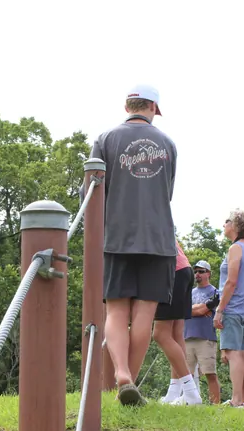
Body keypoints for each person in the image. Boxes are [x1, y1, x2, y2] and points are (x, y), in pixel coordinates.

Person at [90, 84, 177, 406]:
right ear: (153, 107)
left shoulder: (106, 139)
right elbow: (167, 192)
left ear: (128, 106)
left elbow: (92, 192)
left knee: (115, 310)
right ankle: (129, 385)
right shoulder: (168, 144)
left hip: (116, 236)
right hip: (159, 238)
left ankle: (122, 375)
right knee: (144, 317)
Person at [214, 210, 244, 407]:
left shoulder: (235, 249)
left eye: (227, 222)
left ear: (235, 225)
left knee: (233, 353)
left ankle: (237, 399)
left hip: (234, 308)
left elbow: (231, 282)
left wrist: (220, 310)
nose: (224, 225)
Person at [155, 241, 202, 406]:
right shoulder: (157, 216)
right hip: (184, 269)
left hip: (170, 271)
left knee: (160, 334)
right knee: (176, 334)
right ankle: (174, 392)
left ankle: (191, 392)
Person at [183, 260, 222, 404]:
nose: (197, 274)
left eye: (201, 271)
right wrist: (202, 308)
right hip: (186, 337)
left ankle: (215, 406)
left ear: (208, 274)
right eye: (196, 271)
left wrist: (196, 309)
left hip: (206, 338)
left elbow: (204, 310)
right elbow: (185, 310)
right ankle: (188, 402)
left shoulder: (215, 292)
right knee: (186, 375)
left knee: (210, 373)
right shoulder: (190, 292)